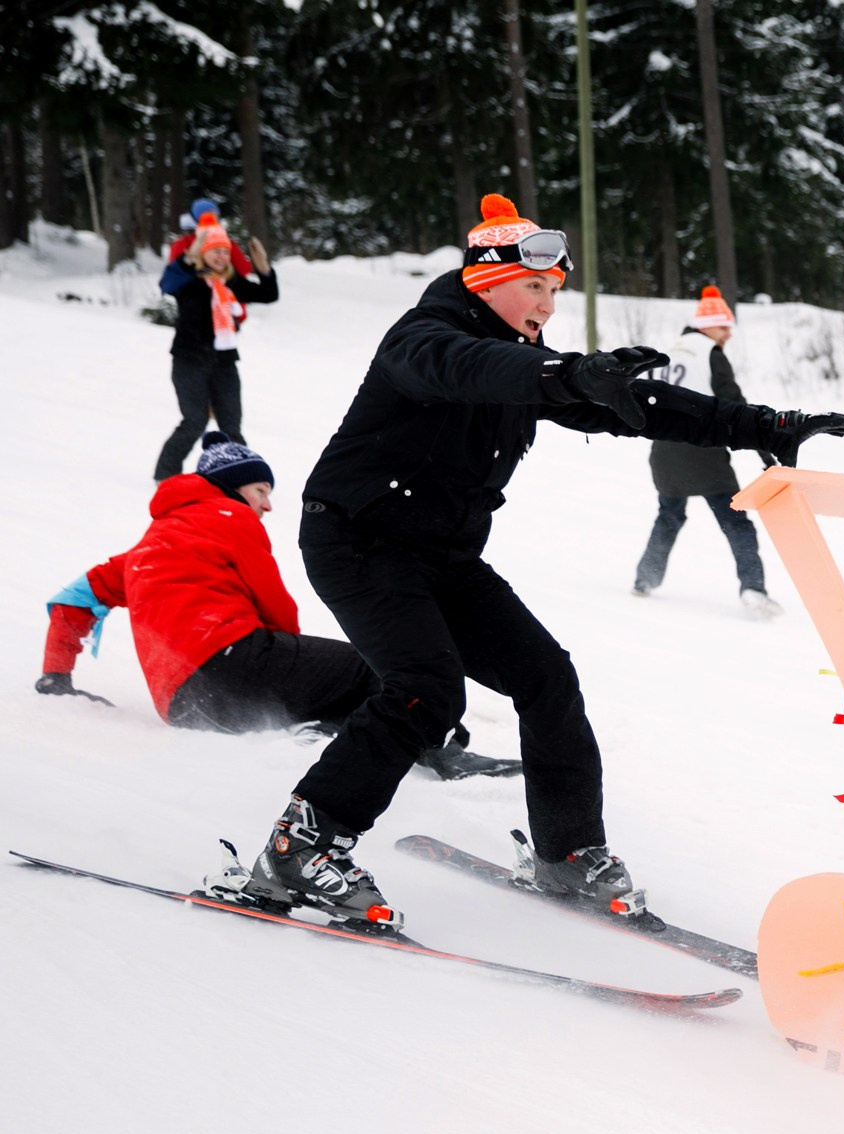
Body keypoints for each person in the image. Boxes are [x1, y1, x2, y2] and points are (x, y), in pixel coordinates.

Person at [235, 192, 844, 930]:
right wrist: (566, 376)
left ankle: (568, 852)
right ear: (485, 281)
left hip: (444, 556)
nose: (548, 305)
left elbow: (640, 407)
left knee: (546, 677)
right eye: (536, 287)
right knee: (425, 687)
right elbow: (472, 368)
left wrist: (755, 422)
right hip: (359, 541)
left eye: (556, 291)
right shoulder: (424, 337)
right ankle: (300, 845)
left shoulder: (528, 364)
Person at [37, 433, 514, 779]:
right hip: (234, 663)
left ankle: (334, 734)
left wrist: (56, 674)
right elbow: (274, 601)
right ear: (233, 487)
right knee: (382, 668)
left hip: (186, 705)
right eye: (261, 491)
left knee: (329, 685)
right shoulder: (229, 517)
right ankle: (441, 753)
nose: (266, 506)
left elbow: (73, 600)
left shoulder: (143, 550)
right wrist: (291, 649)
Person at [632, 285, 780, 616]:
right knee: (736, 522)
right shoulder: (711, 355)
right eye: (723, 326)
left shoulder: (669, 351)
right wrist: (767, 455)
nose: (727, 333)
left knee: (669, 515)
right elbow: (738, 409)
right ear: (708, 325)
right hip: (701, 451)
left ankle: (645, 579)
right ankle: (753, 589)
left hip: (664, 451)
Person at [154, 212, 279, 481]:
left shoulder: (231, 283)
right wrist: (190, 256)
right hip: (189, 361)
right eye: (215, 251)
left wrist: (263, 268)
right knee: (195, 421)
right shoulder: (187, 280)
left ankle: (242, 479)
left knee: (231, 426)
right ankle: (165, 476)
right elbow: (167, 284)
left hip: (223, 363)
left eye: (226, 251)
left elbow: (269, 295)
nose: (221, 256)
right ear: (203, 252)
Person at [159, 196, 252, 294]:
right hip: (198, 301)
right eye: (209, 215)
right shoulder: (183, 244)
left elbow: (244, 269)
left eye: (215, 216)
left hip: (228, 302)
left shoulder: (225, 242)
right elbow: (175, 276)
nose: (213, 219)